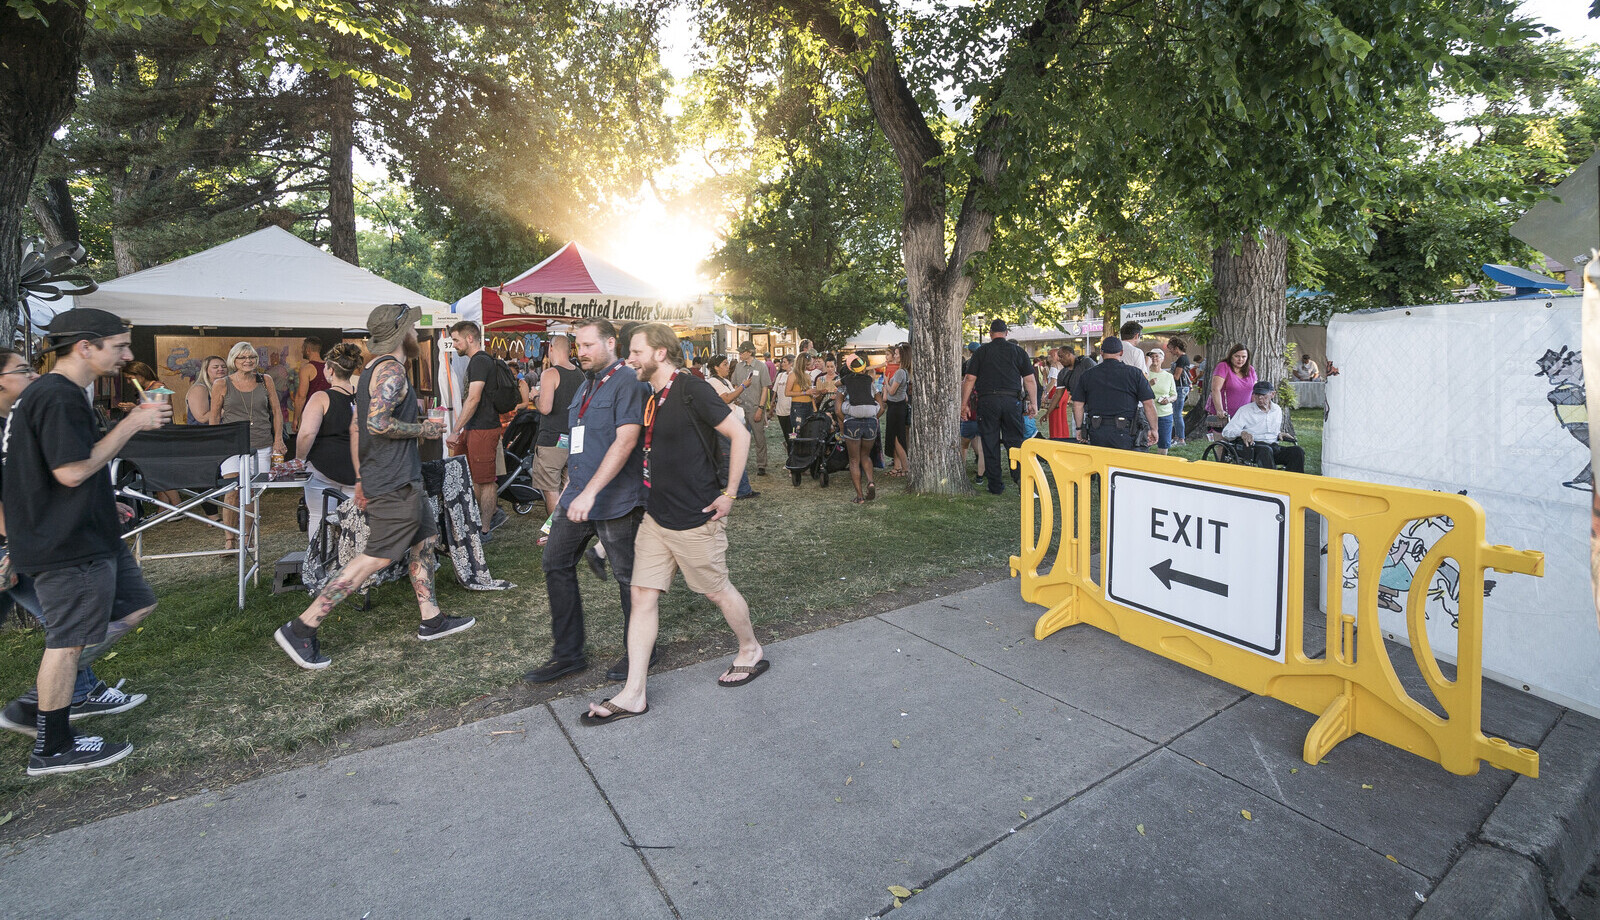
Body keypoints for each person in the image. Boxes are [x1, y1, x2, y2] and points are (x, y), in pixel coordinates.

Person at [3, 310, 170, 774]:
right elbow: (71, 470)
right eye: (118, 345)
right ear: (84, 346)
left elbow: (63, 467)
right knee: (68, 642)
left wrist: (106, 500)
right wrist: (134, 423)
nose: (128, 355)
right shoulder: (56, 396)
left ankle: (41, 703)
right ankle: (52, 745)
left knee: (133, 607)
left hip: (89, 528)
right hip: (65, 540)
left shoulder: (56, 394)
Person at [581, 323, 766, 724]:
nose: (629, 359)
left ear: (660, 353)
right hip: (657, 517)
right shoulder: (652, 395)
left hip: (694, 518)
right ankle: (634, 693)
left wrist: (730, 493)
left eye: (635, 352)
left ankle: (750, 650)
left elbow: (740, 434)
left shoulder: (691, 389)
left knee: (717, 591)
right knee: (641, 597)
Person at [274, 305, 474, 670]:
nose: (416, 333)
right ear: (402, 334)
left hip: (393, 476)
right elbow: (378, 423)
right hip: (395, 480)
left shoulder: (371, 370)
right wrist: (424, 429)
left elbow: (359, 428)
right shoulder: (391, 369)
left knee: (425, 541)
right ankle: (302, 627)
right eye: (412, 327)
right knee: (375, 557)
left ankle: (432, 618)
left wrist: (364, 476)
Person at [524, 318, 656, 685]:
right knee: (555, 561)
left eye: (587, 345)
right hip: (579, 495)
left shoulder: (629, 381)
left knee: (628, 577)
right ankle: (568, 654)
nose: (580, 352)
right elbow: (578, 448)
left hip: (616, 499)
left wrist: (591, 492)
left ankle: (641, 651)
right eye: (577, 346)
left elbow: (626, 440)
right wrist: (566, 498)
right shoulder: (584, 388)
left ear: (611, 343)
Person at [209, 342, 286, 550]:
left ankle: (248, 537)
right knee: (233, 490)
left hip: (261, 441)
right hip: (232, 444)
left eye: (251, 357)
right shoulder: (222, 383)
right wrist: (215, 443)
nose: (248, 361)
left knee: (251, 491)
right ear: (233, 360)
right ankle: (229, 539)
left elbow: (277, 412)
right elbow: (214, 416)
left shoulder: (265, 380)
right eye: (242, 357)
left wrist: (278, 439)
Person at [447, 321, 508, 542]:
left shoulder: (480, 361)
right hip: (477, 428)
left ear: (470, 338)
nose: (454, 345)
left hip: (482, 428)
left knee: (485, 480)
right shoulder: (478, 361)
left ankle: (484, 529)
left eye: (456, 340)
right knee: (475, 478)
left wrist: (456, 429)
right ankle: (481, 521)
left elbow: (473, 398)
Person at [961, 319, 1037, 495]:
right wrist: (1033, 403)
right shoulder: (1018, 351)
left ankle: (995, 485)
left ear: (990, 333)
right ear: (1006, 333)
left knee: (990, 442)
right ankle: (1019, 479)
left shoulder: (981, 352)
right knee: (1015, 442)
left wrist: (964, 404)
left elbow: (969, 379)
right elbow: (1030, 380)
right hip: (1012, 401)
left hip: (987, 401)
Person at [294, 342, 362, 537]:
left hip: (324, 469)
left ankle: (320, 561)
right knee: (355, 521)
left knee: (319, 517)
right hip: (357, 469)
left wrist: (300, 459)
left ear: (330, 370)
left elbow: (307, 433)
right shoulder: (366, 397)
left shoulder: (320, 398)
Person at [532, 334, 585, 539]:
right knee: (568, 486)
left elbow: (545, 408)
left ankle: (556, 532)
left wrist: (534, 396)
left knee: (550, 487)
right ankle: (569, 530)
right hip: (574, 438)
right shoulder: (580, 374)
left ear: (551, 348)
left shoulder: (550, 373)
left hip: (552, 440)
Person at [1072, 336, 1157, 451]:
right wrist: (1154, 429)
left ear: (1101, 352)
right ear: (1121, 352)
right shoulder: (1135, 373)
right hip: (1125, 433)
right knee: (1124, 467)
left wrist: (1079, 428)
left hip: (1097, 431)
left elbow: (1077, 404)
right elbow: (1149, 404)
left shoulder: (1088, 375)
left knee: (1100, 465)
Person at [1221, 381, 1304, 472]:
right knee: (1265, 450)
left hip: (1273, 447)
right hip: (1252, 447)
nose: (1260, 398)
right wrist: (1241, 433)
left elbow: (1271, 430)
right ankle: (1271, 482)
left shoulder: (1277, 410)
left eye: (1263, 395)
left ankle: (1292, 482)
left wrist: (1279, 433)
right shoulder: (1245, 410)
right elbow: (1226, 432)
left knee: (1297, 451)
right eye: (1257, 394)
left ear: (1272, 394)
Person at [705, 355, 757, 499]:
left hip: (733, 421)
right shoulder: (713, 381)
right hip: (724, 424)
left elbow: (730, 398)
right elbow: (726, 398)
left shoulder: (725, 381)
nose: (728, 367)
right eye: (724, 364)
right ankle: (740, 489)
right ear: (716, 367)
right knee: (730, 456)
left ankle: (744, 488)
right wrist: (743, 386)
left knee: (738, 454)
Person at [836, 355, 881, 502]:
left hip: (852, 422)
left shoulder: (845, 384)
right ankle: (870, 481)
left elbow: (837, 410)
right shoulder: (870, 383)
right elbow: (881, 405)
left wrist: (847, 421)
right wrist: (874, 418)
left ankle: (860, 496)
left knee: (854, 460)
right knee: (865, 456)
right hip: (871, 422)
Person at [732, 341, 771, 476]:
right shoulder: (738, 367)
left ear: (749, 352)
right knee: (740, 438)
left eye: (742, 352)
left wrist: (761, 408)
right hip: (741, 408)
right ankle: (741, 464)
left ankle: (761, 465)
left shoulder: (761, 367)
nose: (740, 354)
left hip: (755, 407)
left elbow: (765, 388)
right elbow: (735, 385)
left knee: (759, 438)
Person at [1207, 343, 1258, 432]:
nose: (1240, 359)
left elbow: (1254, 391)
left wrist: (1256, 409)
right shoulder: (1223, 366)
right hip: (1224, 416)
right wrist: (1219, 410)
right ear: (1231, 356)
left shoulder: (1250, 370)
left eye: (1243, 357)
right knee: (1223, 444)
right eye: (1237, 356)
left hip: (1244, 415)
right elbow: (1215, 389)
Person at [292, 336, 330, 432]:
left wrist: (296, 419)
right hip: (329, 414)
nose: (302, 351)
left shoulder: (307, 368)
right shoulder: (331, 367)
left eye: (303, 349)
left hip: (312, 415)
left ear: (308, 349)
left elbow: (301, 396)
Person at [882, 345, 910, 476]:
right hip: (897, 407)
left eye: (897, 354)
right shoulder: (904, 371)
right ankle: (897, 467)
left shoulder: (900, 372)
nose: (895, 356)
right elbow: (904, 395)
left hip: (896, 408)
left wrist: (886, 382)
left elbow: (892, 391)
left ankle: (905, 468)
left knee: (898, 439)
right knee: (895, 438)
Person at [1146, 348, 1176, 455]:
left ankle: (1161, 466)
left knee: (1164, 443)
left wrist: (1168, 399)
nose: (1154, 358)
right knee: (1145, 442)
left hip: (1165, 414)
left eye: (1156, 356)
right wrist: (1148, 384)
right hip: (1147, 414)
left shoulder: (1169, 376)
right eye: (1151, 356)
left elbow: (1174, 395)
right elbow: (1138, 392)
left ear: (1162, 359)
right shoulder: (1145, 374)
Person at [1166, 337, 1194, 445]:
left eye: (1171, 349)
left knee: (1177, 414)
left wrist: (1166, 377)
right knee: (1176, 414)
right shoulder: (1182, 358)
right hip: (1181, 388)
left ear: (1177, 348)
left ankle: (1181, 438)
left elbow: (1176, 376)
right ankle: (1177, 437)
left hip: (1180, 388)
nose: (1170, 351)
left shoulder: (1182, 359)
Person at [185, 355, 226, 426]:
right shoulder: (199, 388)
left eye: (223, 366)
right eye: (215, 367)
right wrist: (231, 409)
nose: (220, 369)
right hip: (203, 433)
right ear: (206, 370)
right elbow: (202, 418)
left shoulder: (226, 387)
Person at [785, 351, 817, 432]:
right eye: (807, 364)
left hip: (808, 405)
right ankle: (793, 444)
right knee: (797, 431)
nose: (809, 366)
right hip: (798, 406)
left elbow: (810, 393)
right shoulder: (793, 375)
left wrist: (814, 408)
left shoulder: (807, 376)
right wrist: (805, 393)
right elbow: (787, 393)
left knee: (808, 430)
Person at [773, 355, 795, 442]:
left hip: (791, 410)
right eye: (782, 362)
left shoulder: (795, 375)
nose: (782, 364)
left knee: (792, 435)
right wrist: (772, 405)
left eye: (784, 362)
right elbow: (775, 391)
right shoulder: (780, 375)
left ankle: (793, 451)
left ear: (791, 363)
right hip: (780, 410)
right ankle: (789, 451)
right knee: (786, 434)